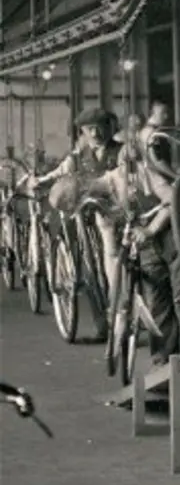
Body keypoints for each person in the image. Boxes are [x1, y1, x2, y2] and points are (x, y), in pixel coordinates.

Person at [95, 120, 180, 367]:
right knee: (156, 300)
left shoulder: (150, 174)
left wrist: (151, 227)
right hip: (143, 242)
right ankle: (164, 361)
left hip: (171, 236)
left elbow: (170, 200)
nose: (127, 167)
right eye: (123, 161)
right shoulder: (111, 180)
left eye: (132, 161)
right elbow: (91, 192)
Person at [33, 107, 122, 330]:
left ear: (108, 128)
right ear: (82, 131)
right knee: (86, 262)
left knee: (112, 251)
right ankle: (102, 322)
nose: (95, 133)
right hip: (85, 216)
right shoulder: (78, 157)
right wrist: (40, 181)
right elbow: (59, 173)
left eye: (99, 127)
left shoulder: (121, 152)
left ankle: (117, 301)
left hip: (113, 213)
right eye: (89, 129)